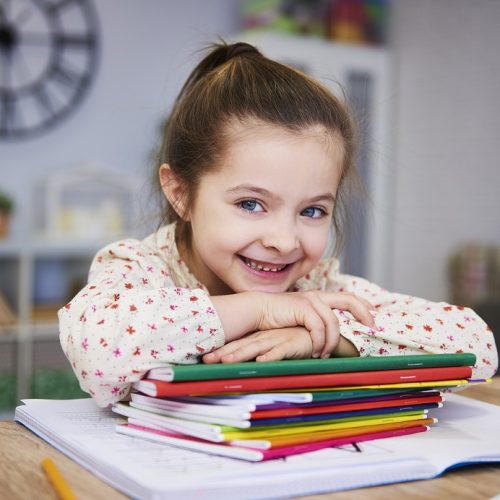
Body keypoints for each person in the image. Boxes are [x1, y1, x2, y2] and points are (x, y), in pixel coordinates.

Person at [59, 41, 498, 408]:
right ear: (181, 193)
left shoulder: (317, 291)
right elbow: (97, 351)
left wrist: (329, 336)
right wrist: (261, 310)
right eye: (251, 203)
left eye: (312, 211)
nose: (284, 241)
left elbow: (478, 348)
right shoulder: (140, 268)